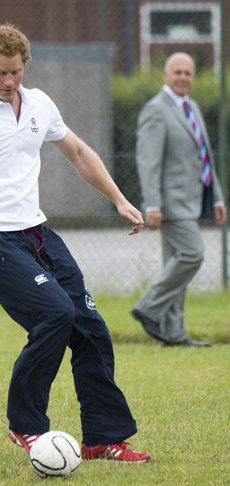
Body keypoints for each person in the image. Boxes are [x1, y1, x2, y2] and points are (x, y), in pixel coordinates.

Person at [0, 24, 150, 462]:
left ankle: (103, 438)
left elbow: (79, 152)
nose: (10, 82)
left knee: (90, 326)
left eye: (17, 73)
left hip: (38, 232)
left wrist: (119, 200)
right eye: (1, 73)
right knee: (55, 315)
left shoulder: (39, 103)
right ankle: (26, 426)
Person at [131, 52, 227, 347]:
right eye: (178, 72)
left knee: (176, 261)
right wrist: (153, 205)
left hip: (193, 199)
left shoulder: (191, 107)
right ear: (166, 74)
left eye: (188, 72)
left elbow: (204, 156)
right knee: (192, 254)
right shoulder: (156, 110)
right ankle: (148, 307)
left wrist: (217, 197)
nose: (183, 77)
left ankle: (174, 333)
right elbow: (148, 162)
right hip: (169, 204)